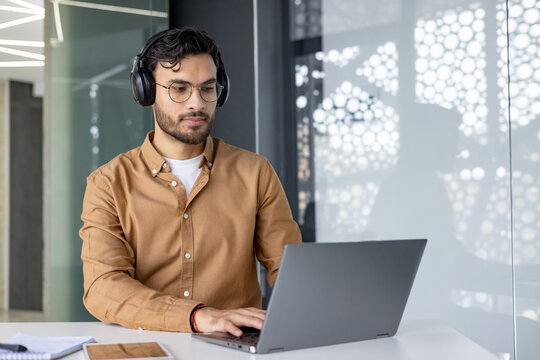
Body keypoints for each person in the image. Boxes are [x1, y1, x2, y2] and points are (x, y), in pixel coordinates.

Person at [80, 27, 301, 336]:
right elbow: (103, 287)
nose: (196, 103)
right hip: (148, 347)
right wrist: (197, 317)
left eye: (207, 89)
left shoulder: (256, 172)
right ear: (146, 91)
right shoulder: (107, 183)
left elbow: (290, 272)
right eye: (179, 89)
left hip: (234, 348)